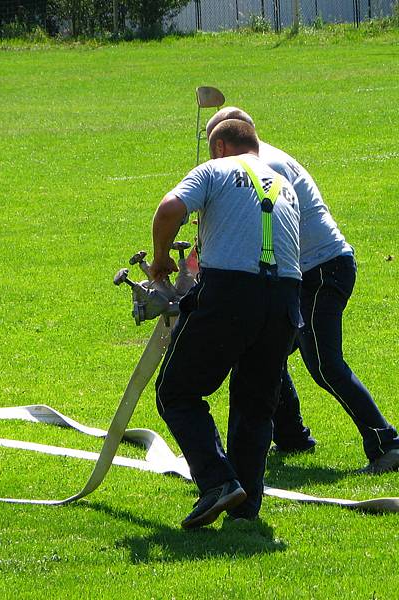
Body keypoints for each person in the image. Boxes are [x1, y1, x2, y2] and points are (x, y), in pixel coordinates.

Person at [206, 107, 399, 474]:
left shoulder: (267, 169)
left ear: (223, 145)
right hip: (307, 269)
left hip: (321, 271)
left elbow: (274, 231)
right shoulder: (260, 159)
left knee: (324, 365)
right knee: (261, 346)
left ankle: (387, 443)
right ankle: (292, 436)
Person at [149, 119, 302, 528]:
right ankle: (245, 510)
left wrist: (161, 255)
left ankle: (217, 482)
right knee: (256, 405)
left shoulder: (214, 169)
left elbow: (169, 210)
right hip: (287, 296)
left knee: (176, 392)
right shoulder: (284, 183)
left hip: (232, 292)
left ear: (219, 147)